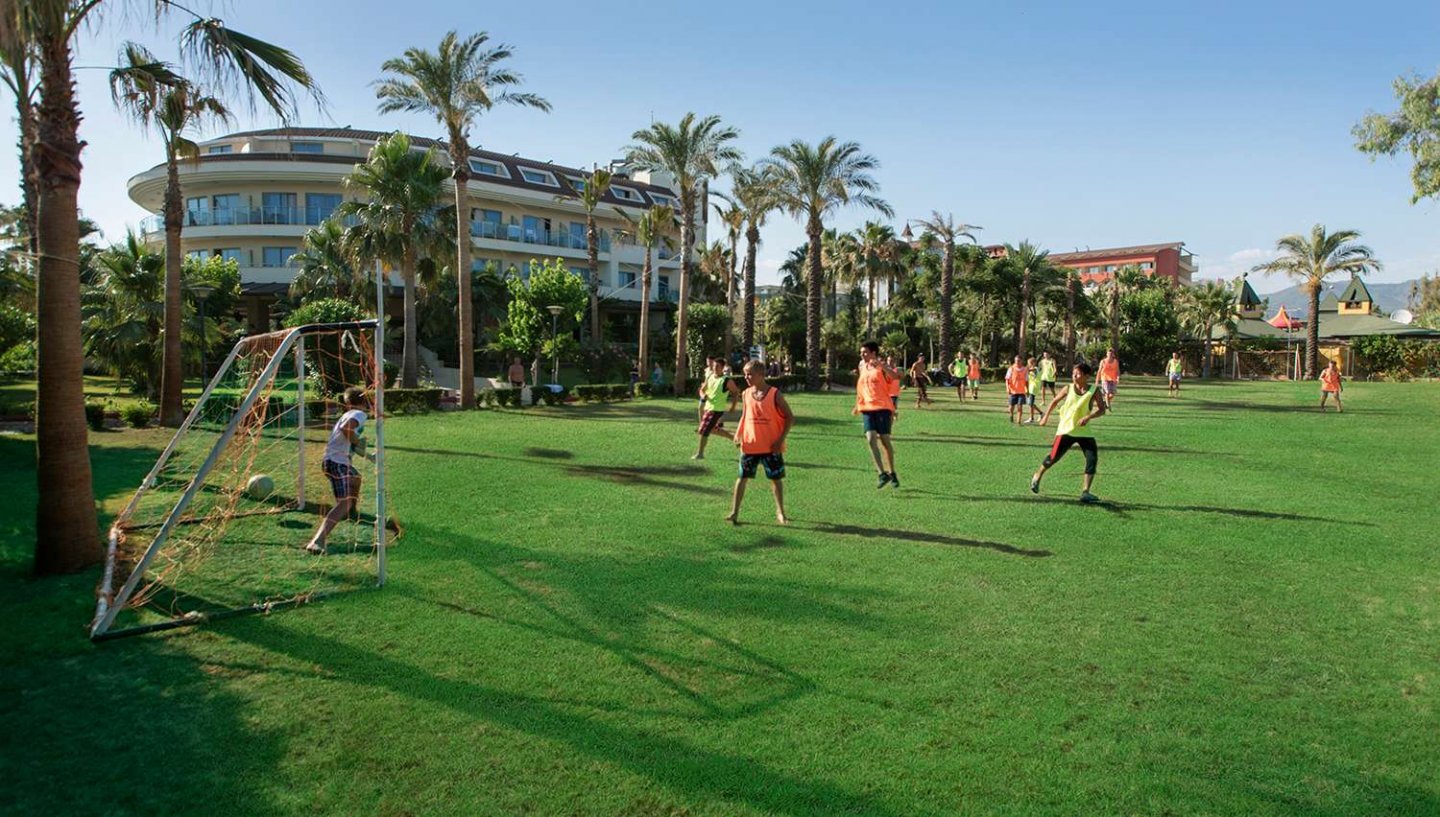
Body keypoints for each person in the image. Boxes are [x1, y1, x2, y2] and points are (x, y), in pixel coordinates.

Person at [725, 360, 794, 525]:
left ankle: (781, 512)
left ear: (761, 374)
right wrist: (739, 434)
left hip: (771, 446)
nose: (746, 377)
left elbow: (789, 417)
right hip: (750, 445)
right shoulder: (746, 394)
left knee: (776, 480)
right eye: (745, 374)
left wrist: (780, 440)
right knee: (742, 477)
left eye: (750, 374)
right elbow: (745, 415)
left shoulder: (774, 394)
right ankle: (734, 512)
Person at [306, 387, 373, 554]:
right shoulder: (359, 414)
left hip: (334, 462)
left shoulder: (349, 414)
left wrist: (369, 456)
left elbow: (350, 441)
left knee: (356, 478)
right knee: (344, 502)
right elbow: (347, 430)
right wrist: (357, 442)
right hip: (337, 463)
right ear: (364, 401)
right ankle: (317, 541)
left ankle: (351, 513)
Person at [1031, 362, 1107, 504]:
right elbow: (1054, 402)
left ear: (1086, 376)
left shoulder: (1094, 390)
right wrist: (1045, 417)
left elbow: (1102, 410)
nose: (1074, 376)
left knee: (1092, 459)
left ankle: (1085, 492)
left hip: (1084, 431)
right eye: (1073, 373)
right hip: (1066, 429)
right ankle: (1037, 475)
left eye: (1077, 374)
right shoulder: (1068, 388)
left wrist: (1088, 417)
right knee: (1053, 457)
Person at [854, 341, 901, 488]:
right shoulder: (862, 366)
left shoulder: (881, 366)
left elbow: (895, 376)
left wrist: (882, 365)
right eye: (861, 353)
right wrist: (857, 404)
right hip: (867, 408)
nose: (862, 355)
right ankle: (882, 474)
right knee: (870, 438)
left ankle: (892, 472)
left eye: (865, 352)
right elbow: (861, 386)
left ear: (873, 353)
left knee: (885, 441)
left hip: (883, 407)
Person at [694, 357, 740, 459]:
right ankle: (734, 438)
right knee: (713, 430)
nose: (714, 368)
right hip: (707, 408)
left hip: (716, 410)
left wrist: (733, 407)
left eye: (717, 366)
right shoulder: (710, 376)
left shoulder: (726, 380)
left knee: (704, 430)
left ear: (723, 368)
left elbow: (736, 393)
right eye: (714, 366)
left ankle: (700, 454)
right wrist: (703, 395)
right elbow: (702, 389)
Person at [1005, 356, 1029, 424]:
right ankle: (1011, 415)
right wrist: (1007, 388)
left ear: (1021, 361)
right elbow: (1007, 379)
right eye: (1016, 360)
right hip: (1013, 391)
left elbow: (1026, 381)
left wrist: (1027, 390)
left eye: (1018, 361)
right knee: (1011, 407)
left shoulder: (1025, 369)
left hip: (1021, 391)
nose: (1017, 362)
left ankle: (1019, 421)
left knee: (1020, 406)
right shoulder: (1011, 369)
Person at [1025, 356, 1042, 424]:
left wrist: (1025, 369)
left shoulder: (1035, 369)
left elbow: (1029, 370)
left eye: (1029, 363)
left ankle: (1031, 418)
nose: (1028, 364)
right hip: (1031, 387)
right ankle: (1041, 413)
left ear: (1034, 363)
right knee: (1030, 403)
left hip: (1034, 387)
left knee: (1030, 403)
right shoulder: (1031, 369)